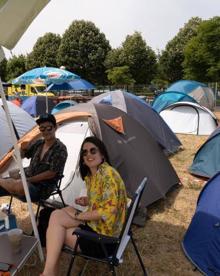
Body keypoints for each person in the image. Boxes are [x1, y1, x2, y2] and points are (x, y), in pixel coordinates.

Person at [41, 136, 127, 276]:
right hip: (100, 228)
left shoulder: (108, 175)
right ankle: (50, 272)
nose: (88, 155)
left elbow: (108, 210)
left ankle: (49, 273)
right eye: (85, 152)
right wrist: (88, 200)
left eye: (93, 151)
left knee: (57, 231)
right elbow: (106, 199)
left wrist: (78, 216)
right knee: (57, 216)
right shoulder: (96, 175)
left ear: (102, 154)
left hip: (104, 241)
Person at [0, 114, 68, 202]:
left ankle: (6, 182)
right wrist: (23, 148)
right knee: (11, 181)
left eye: (49, 128)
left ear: (55, 127)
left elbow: (51, 173)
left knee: (20, 185)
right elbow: (23, 155)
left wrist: (28, 180)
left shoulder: (60, 149)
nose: (46, 131)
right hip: (25, 178)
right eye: (42, 128)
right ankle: (6, 182)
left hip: (41, 187)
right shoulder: (39, 144)